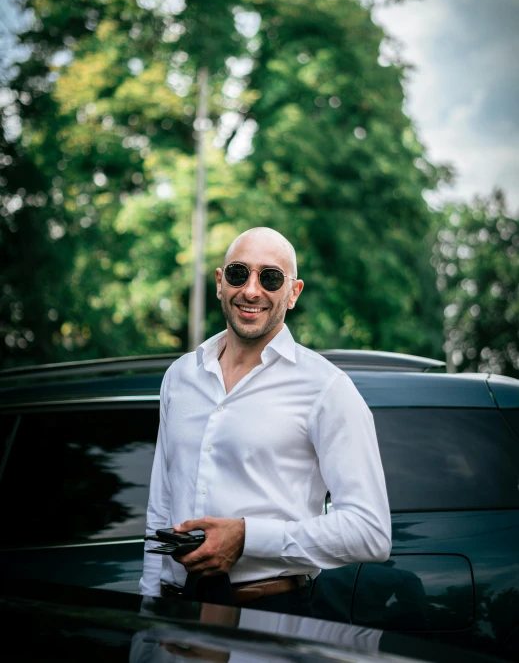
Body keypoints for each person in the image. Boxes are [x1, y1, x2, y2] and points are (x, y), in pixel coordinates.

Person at [139, 227, 391, 615]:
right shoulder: (180, 376)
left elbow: (370, 532)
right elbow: (160, 507)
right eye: (239, 273)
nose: (252, 291)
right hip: (174, 613)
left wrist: (248, 538)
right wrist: (148, 611)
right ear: (220, 283)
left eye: (270, 277)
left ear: (294, 292)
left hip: (272, 615)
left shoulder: (326, 388)